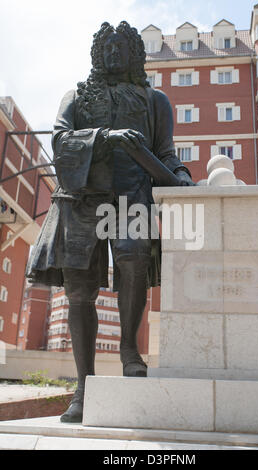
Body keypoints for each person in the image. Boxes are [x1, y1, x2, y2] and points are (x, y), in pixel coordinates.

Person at [26, 21, 194, 423]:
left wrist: (182, 175)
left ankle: (129, 351)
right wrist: (107, 136)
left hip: (130, 195)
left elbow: (166, 154)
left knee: (134, 259)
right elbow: (61, 141)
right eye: (106, 48)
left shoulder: (156, 101)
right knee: (79, 288)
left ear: (136, 55)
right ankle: (83, 387)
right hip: (81, 199)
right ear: (97, 54)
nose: (113, 54)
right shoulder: (77, 95)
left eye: (121, 48)